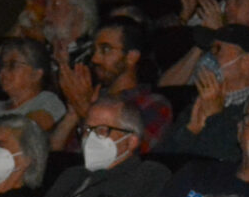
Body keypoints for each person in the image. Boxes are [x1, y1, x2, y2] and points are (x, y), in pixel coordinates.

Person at [0, 97, 170, 197]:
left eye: (102, 130)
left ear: (131, 141)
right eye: (87, 130)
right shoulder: (72, 174)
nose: (90, 138)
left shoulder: (148, 174)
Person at [64, 17, 175, 149]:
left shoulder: (152, 104)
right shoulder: (94, 97)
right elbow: (55, 156)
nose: (95, 59)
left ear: (131, 57)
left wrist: (85, 110)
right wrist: (73, 114)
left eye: (105, 50)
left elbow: (131, 154)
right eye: (94, 51)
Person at [158, 25, 249, 161]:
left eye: (218, 50)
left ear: (245, 61)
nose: (209, 58)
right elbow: (162, 158)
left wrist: (215, 117)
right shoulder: (197, 103)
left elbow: (232, 161)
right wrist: (191, 130)